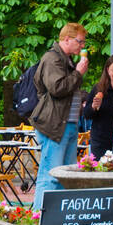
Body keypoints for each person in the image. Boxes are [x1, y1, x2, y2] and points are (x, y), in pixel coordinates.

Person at [30, 22, 90, 211]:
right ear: (67, 39)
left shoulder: (66, 60)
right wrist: (79, 73)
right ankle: (39, 216)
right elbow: (57, 88)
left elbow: (68, 89)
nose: (82, 46)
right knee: (51, 175)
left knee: (67, 175)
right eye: (79, 41)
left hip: (69, 124)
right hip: (55, 126)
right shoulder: (52, 58)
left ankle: (59, 215)